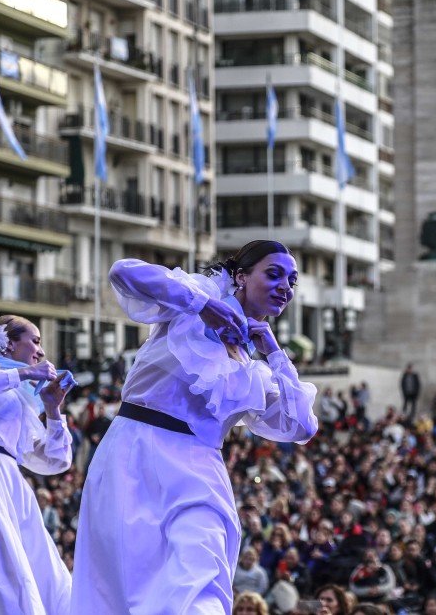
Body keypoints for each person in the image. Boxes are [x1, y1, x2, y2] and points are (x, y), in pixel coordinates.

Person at [70, 240, 319, 614]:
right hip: (134, 453)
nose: (286, 286)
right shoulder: (196, 298)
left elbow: (303, 425)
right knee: (125, 581)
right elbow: (123, 272)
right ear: (240, 276)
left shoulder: (257, 368)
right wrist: (204, 306)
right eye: (274, 274)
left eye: (292, 280)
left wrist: (274, 351)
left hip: (199, 468)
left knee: (202, 569)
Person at [0, 313, 76, 614]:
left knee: (47, 573)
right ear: (9, 344)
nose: (40, 351)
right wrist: (24, 375)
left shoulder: (21, 396)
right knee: (5, 573)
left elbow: (55, 461)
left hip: (9, 479)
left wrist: (53, 410)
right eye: (35, 341)